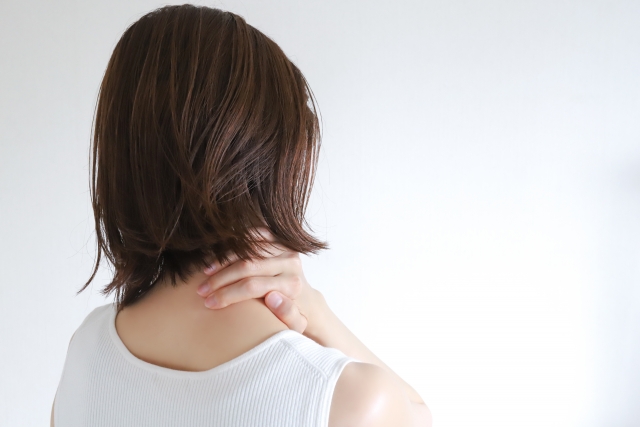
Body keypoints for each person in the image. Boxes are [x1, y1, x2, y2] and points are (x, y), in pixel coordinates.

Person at [51, 4, 431, 426]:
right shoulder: (347, 398)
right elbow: (420, 414)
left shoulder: (85, 352)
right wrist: (315, 312)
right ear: (276, 159)